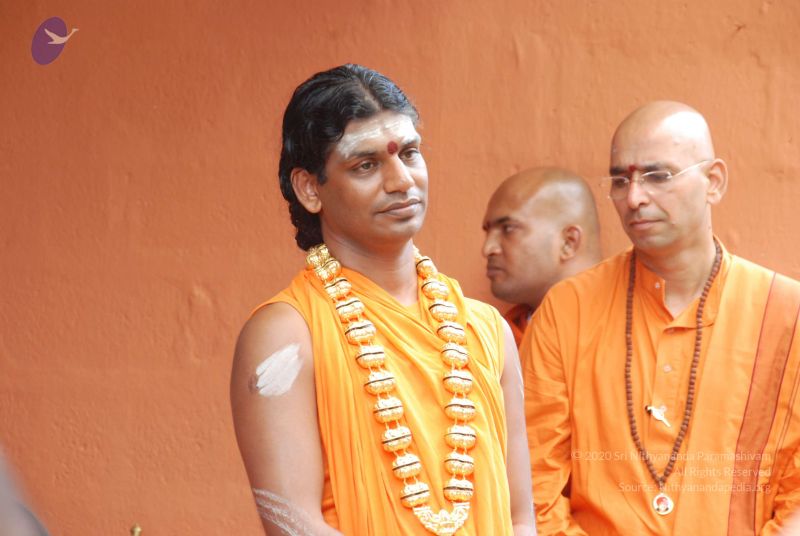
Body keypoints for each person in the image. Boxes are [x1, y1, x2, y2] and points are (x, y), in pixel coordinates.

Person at [230, 64, 536, 535]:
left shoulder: (486, 329)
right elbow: (296, 526)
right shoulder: (285, 336)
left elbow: (520, 518)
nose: (402, 181)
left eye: (409, 154)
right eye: (366, 165)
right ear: (310, 188)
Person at [522, 101, 800, 534]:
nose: (634, 197)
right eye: (620, 180)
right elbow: (532, 481)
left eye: (658, 176)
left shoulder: (786, 313)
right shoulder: (567, 310)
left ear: (713, 182)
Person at [482, 167, 601, 347]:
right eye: (488, 231)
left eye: (508, 228)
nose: (487, 249)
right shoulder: (497, 342)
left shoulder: (623, 327)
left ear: (568, 242)